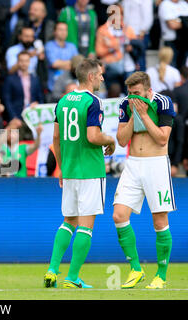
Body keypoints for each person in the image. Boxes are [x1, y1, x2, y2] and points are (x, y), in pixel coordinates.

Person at [43, 58, 115, 289]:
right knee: (86, 225)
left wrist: (62, 167)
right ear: (92, 76)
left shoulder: (63, 101)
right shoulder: (94, 102)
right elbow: (94, 136)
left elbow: (55, 139)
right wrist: (110, 139)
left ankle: (52, 270)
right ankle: (72, 277)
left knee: (68, 221)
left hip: (71, 170)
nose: (103, 78)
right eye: (101, 74)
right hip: (91, 170)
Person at [113, 71, 176, 289]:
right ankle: (136, 269)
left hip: (156, 164)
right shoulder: (125, 105)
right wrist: (133, 115)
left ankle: (161, 274)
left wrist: (145, 114)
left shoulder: (163, 102)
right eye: (130, 93)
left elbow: (162, 139)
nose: (133, 98)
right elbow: (121, 141)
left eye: (137, 93)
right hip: (133, 164)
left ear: (148, 90)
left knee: (159, 220)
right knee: (118, 215)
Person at [2, 50, 44, 135]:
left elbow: (40, 98)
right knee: (14, 143)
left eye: (26, 61)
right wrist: (13, 117)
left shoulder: (35, 79)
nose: (24, 63)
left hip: (32, 116)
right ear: (17, 62)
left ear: (29, 62)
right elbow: (7, 100)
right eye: (21, 61)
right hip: (17, 117)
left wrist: (37, 104)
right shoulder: (10, 79)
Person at [45, 22, 79, 93]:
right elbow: (54, 64)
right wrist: (71, 64)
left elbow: (77, 64)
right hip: (54, 87)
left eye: (65, 30)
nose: (63, 32)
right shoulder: (49, 45)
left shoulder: (72, 46)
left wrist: (61, 64)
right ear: (55, 32)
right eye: (60, 30)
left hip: (71, 86)